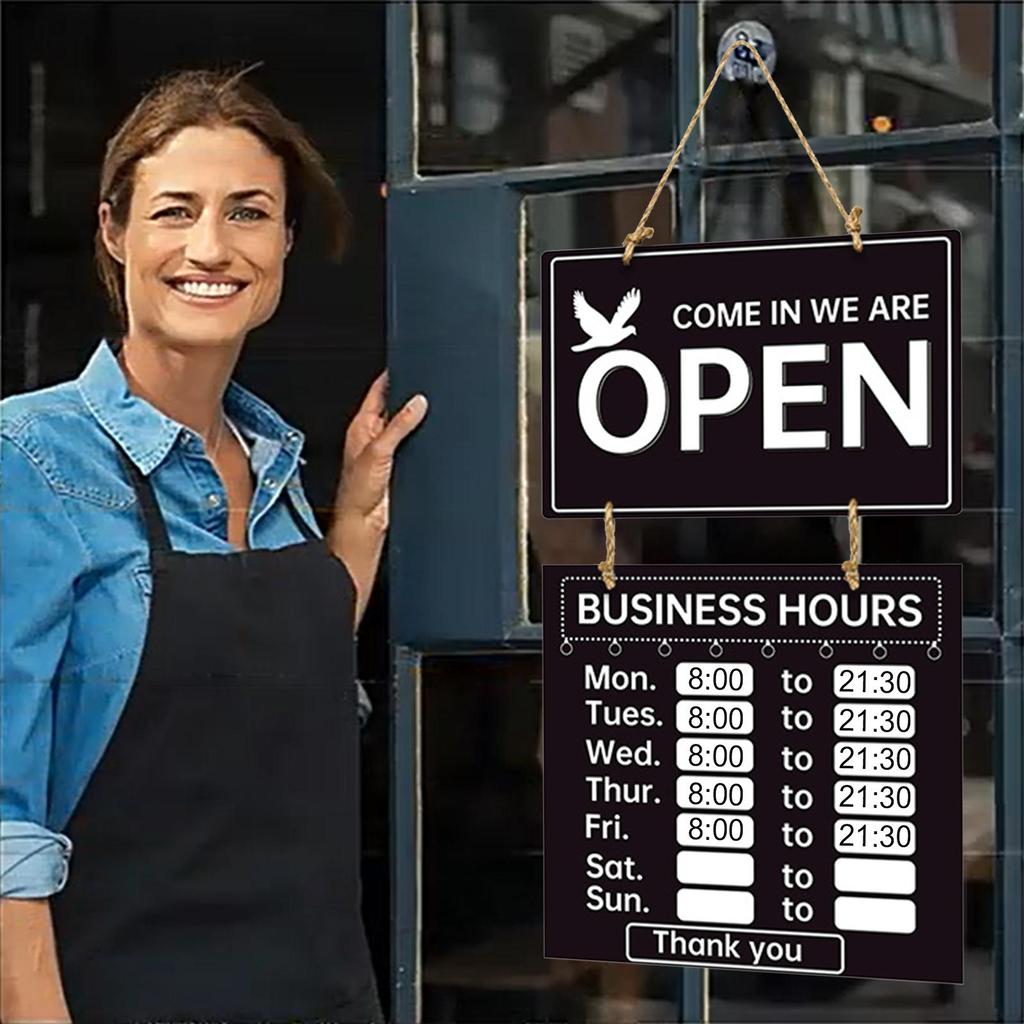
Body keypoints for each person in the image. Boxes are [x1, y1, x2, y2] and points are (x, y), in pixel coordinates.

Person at [0, 66, 427, 1024]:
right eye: (174, 211)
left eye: (247, 212)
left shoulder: (276, 465)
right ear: (113, 233)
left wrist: (355, 515)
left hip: (321, 994)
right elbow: (1, 828)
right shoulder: (25, 458)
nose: (210, 247)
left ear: (283, 242)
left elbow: (278, 681)